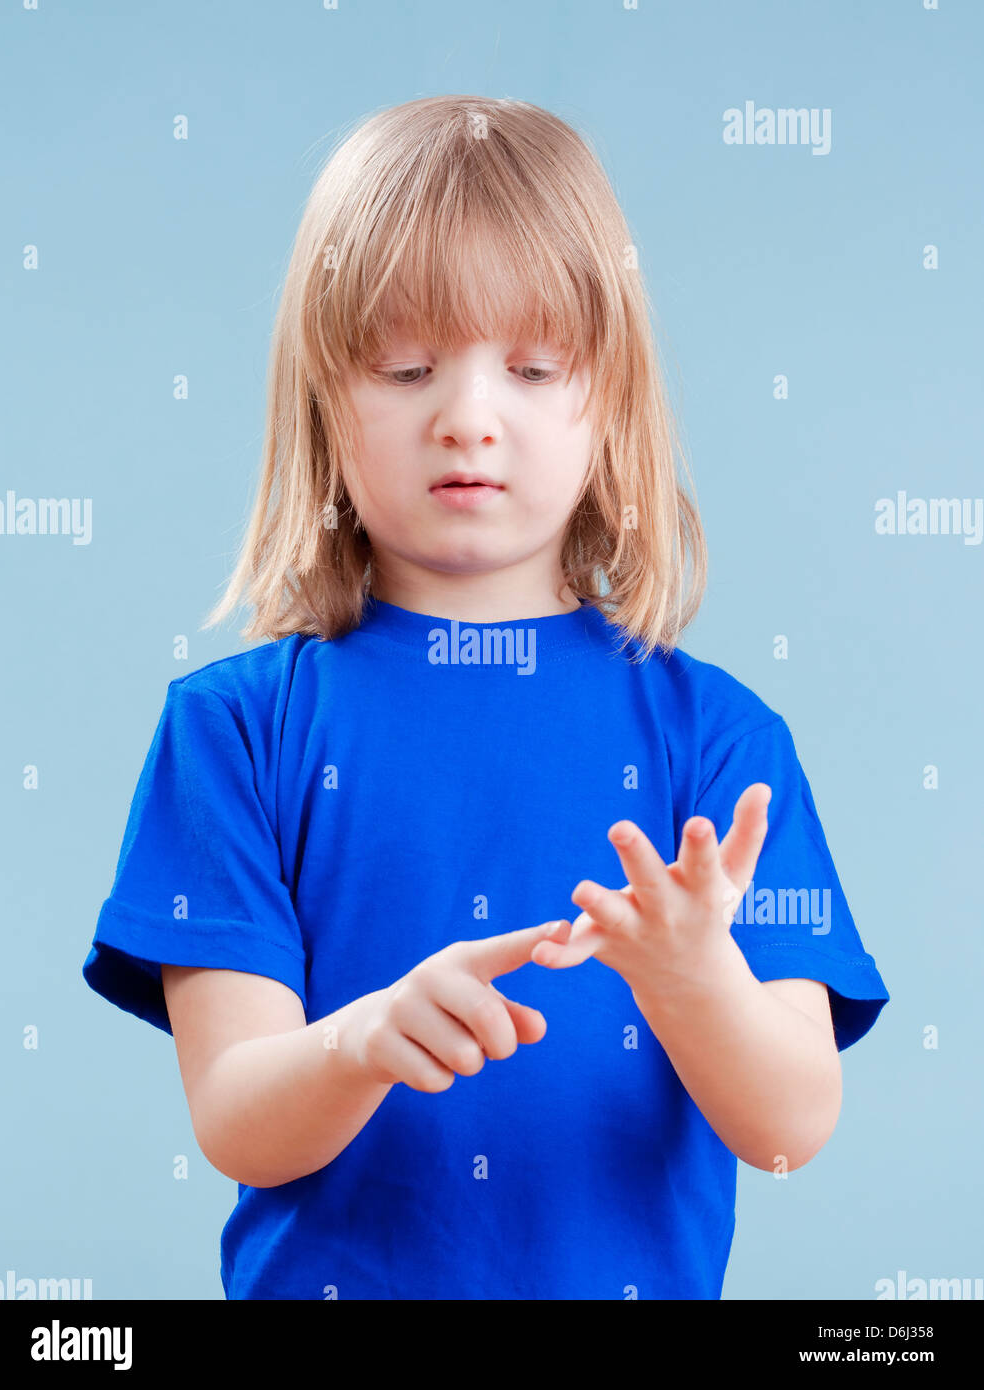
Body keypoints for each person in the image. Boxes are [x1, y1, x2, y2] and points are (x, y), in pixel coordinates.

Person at [82, 94, 890, 1301]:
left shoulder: (720, 740)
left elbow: (788, 1127)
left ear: (606, 399)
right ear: (325, 401)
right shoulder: (232, 733)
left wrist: (689, 981)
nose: (466, 416)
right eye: (406, 367)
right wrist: (357, 1043)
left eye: (532, 366)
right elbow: (237, 1120)